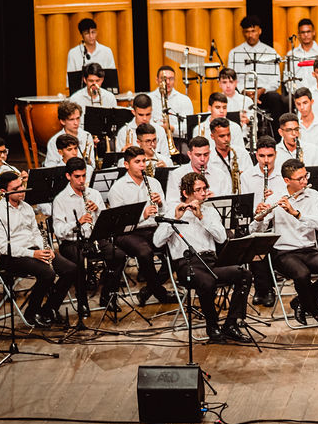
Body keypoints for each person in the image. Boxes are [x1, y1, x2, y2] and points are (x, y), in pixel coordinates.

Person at [154, 172, 252, 343]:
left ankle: (231, 324)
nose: (204, 193)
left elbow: (221, 238)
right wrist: (175, 218)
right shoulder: (173, 211)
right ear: (186, 193)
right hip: (187, 264)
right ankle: (212, 326)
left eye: (205, 188)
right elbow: (157, 242)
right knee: (207, 281)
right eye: (198, 190)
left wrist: (201, 217)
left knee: (244, 274)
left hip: (211, 262)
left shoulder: (209, 211)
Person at [251, 159, 318, 323]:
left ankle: (302, 303)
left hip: (309, 250)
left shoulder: (313, 195)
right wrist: (260, 217)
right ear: (287, 181)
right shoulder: (276, 197)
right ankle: (315, 310)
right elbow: (255, 231)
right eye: (300, 179)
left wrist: (296, 214)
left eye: (305, 176)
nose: (305, 181)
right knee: (302, 274)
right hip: (285, 253)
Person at [0, 171, 76, 328]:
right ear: (4, 192)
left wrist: (44, 249)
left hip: (33, 250)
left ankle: (49, 309)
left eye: (21, 185)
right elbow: (2, 247)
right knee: (48, 273)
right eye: (16, 188)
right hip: (11, 256)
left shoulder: (27, 207)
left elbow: (35, 233)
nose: (22, 190)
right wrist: (33, 253)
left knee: (70, 269)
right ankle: (31, 312)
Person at [52, 157, 126, 316]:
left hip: (94, 239)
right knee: (79, 263)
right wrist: (77, 223)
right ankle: (82, 303)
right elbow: (58, 231)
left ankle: (108, 296)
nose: (81, 181)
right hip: (71, 242)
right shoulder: (60, 199)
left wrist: (98, 210)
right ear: (68, 176)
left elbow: (105, 223)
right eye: (77, 177)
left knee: (118, 255)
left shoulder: (94, 193)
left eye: (84, 176)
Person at [108, 146, 176, 306]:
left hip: (152, 228)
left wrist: (159, 204)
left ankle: (148, 290)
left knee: (176, 247)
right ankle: (160, 293)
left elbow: (164, 212)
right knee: (145, 252)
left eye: (144, 161)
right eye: (137, 162)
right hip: (128, 233)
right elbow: (118, 223)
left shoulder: (154, 183)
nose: (142, 165)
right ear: (126, 165)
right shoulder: (118, 188)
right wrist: (142, 215)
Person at [228, 15, 281, 118]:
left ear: (259, 31)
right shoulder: (234, 53)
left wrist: (262, 90)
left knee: (275, 98)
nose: (250, 35)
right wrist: (244, 91)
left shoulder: (270, 52)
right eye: (247, 32)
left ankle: (277, 133)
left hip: (264, 93)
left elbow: (276, 80)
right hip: (242, 93)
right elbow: (231, 79)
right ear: (243, 33)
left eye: (253, 31)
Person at [165, 137, 231, 207]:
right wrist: (190, 202)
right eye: (198, 155)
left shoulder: (220, 175)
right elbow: (171, 205)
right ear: (190, 155)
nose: (202, 159)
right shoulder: (177, 175)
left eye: (206, 155)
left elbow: (228, 203)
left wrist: (215, 200)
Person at [44, 101, 96, 169]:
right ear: (62, 121)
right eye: (71, 119)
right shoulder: (54, 141)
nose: (76, 123)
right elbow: (50, 167)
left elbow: (92, 165)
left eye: (78, 118)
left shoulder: (87, 136)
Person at [149, 65, 194, 139]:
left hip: (178, 140)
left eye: (171, 79)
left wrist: (171, 128)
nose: (167, 82)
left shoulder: (184, 100)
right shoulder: (149, 99)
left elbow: (188, 126)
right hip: (154, 139)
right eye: (164, 79)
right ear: (157, 80)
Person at [292, 87, 318, 162]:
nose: (302, 107)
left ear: (312, 102)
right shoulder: (292, 127)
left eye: (305, 103)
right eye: (298, 104)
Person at [208, 117, 249, 194]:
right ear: (212, 137)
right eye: (222, 136)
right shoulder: (208, 157)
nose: (226, 139)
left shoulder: (242, 154)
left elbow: (251, 179)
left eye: (228, 135)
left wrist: (243, 177)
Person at [291, 18, 318, 83]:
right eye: (303, 32)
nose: (306, 35)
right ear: (298, 34)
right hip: (297, 92)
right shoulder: (292, 54)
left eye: (308, 31)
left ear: (314, 33)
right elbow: (287, 78)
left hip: (317, 92)